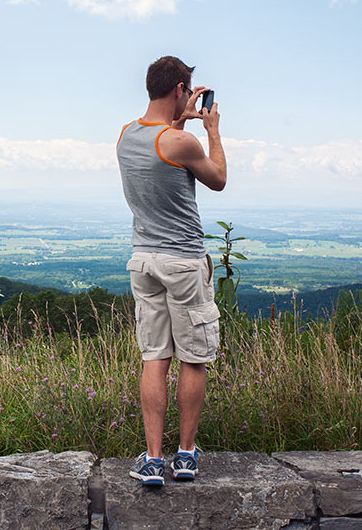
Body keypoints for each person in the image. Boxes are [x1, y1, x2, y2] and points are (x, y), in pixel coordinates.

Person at [115, 55, 227, 486]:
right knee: (193, 360)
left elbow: (163, 148)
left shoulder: (126, 136)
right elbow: (216, 178)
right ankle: (184, 456)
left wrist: (177, 119)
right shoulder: (183, 143)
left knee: (154, 358)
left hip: (143, 260)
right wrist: (212, 132)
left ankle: (152, 459)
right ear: (181, 89)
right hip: (182, 262)